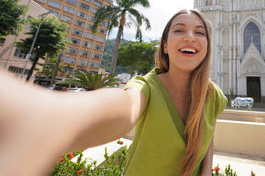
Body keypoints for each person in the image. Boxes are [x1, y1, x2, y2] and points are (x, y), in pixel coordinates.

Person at [0, 9, 227, 176]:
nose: (190, 37)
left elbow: (208, 137)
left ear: (207, 46)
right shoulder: (146, 87)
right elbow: (126, 107)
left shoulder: (212, 95)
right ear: (165, 46)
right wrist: (50, 116)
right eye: (179, 30)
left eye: (200, 32)